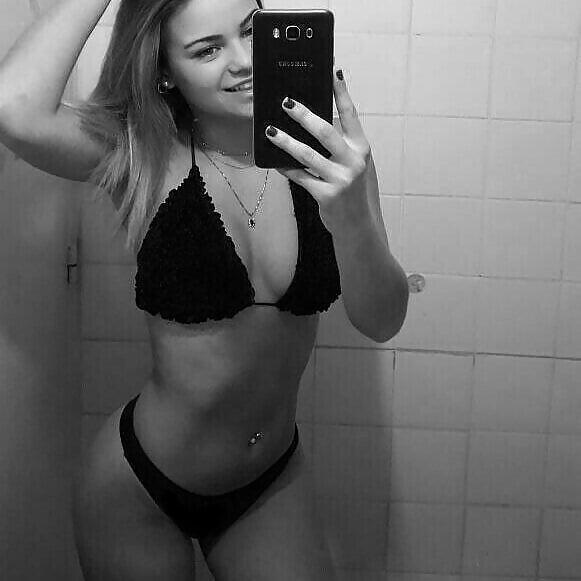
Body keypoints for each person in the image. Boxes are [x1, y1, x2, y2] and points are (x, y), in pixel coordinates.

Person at [0, 0, 409, 578]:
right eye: (207, 49)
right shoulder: (141, 153)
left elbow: (383, 320)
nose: (243, 61)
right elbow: (14, 110)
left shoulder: (332, 156)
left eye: (251, 31)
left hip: (269, 484)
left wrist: (352, 219)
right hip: (141, 487)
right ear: (165, 71)